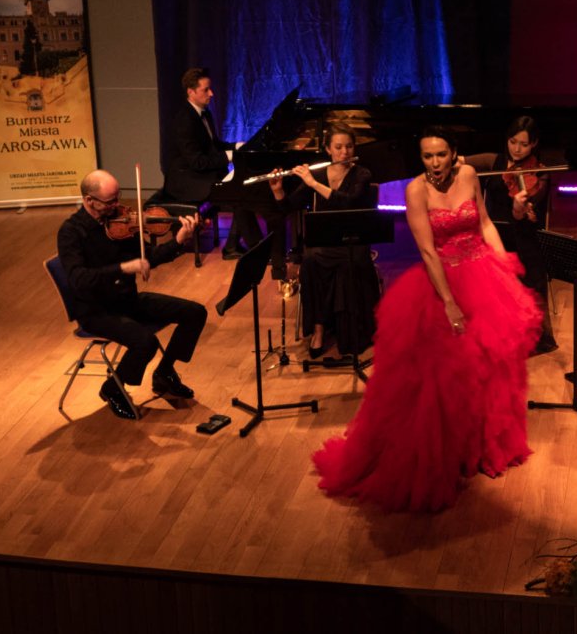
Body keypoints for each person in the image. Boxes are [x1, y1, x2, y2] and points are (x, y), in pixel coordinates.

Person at [311, 127, 542, 512]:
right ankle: (449, 452)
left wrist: (503, 265)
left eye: (440, 155)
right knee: (442, 376)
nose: (435, 163)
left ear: (454, 154)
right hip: (442, 280)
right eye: (427, 156)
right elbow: (428, 251)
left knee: (488, 365)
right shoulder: (415, 191)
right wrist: (449, 303)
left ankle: (480, 446)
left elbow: (484, 222)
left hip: (482, 272)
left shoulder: (469, 176)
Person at [57, 169, 206, 419]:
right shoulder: (71, 232)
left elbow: (148, 257)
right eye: (110, 201)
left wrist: (179, 240)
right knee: (145, 341)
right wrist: (122, 268)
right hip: (96, 310)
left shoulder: (121, 223)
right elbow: (78, 280)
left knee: (195, 312)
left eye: (118, 197)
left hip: (127, 300)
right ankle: (113, 388)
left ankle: (164, 373)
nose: (117, 206)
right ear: (89, 200)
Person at [267, 125, 378, 359]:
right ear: (328, 149)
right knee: (310, 260)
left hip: (354, 242)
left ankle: (351, 334)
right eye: (338, 147)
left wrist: (313, 184)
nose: (344, 152)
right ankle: (318, 329)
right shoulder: (317, 174)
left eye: (349, 146)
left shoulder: (362, 174)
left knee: (350, 263)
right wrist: (278, 191)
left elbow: (348, 203)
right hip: (325, 243)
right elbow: (289, 206)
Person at [162, 66, 261, 260]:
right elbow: (197, 162)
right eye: (206, 90)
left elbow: (213, 145)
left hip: (200, 173)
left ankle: (234, 245)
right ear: (191, 92)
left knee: (244, 188)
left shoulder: (204, 113)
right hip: (187, 180)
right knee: (239, 194)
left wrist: (238, 146)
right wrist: (231, 155)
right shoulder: (184, 120)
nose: (211, 93)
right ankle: (242, 247)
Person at [480, 116, 557, 355]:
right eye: (512, 142)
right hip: (495, 234)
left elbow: (526, 214)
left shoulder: (540, 173)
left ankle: (527, 338)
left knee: (527, 281)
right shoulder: (495, 161)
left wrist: (519, 208)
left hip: (524, 238)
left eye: (523, 144)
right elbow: (461, 162)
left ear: (533, 144)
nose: (516, 149)